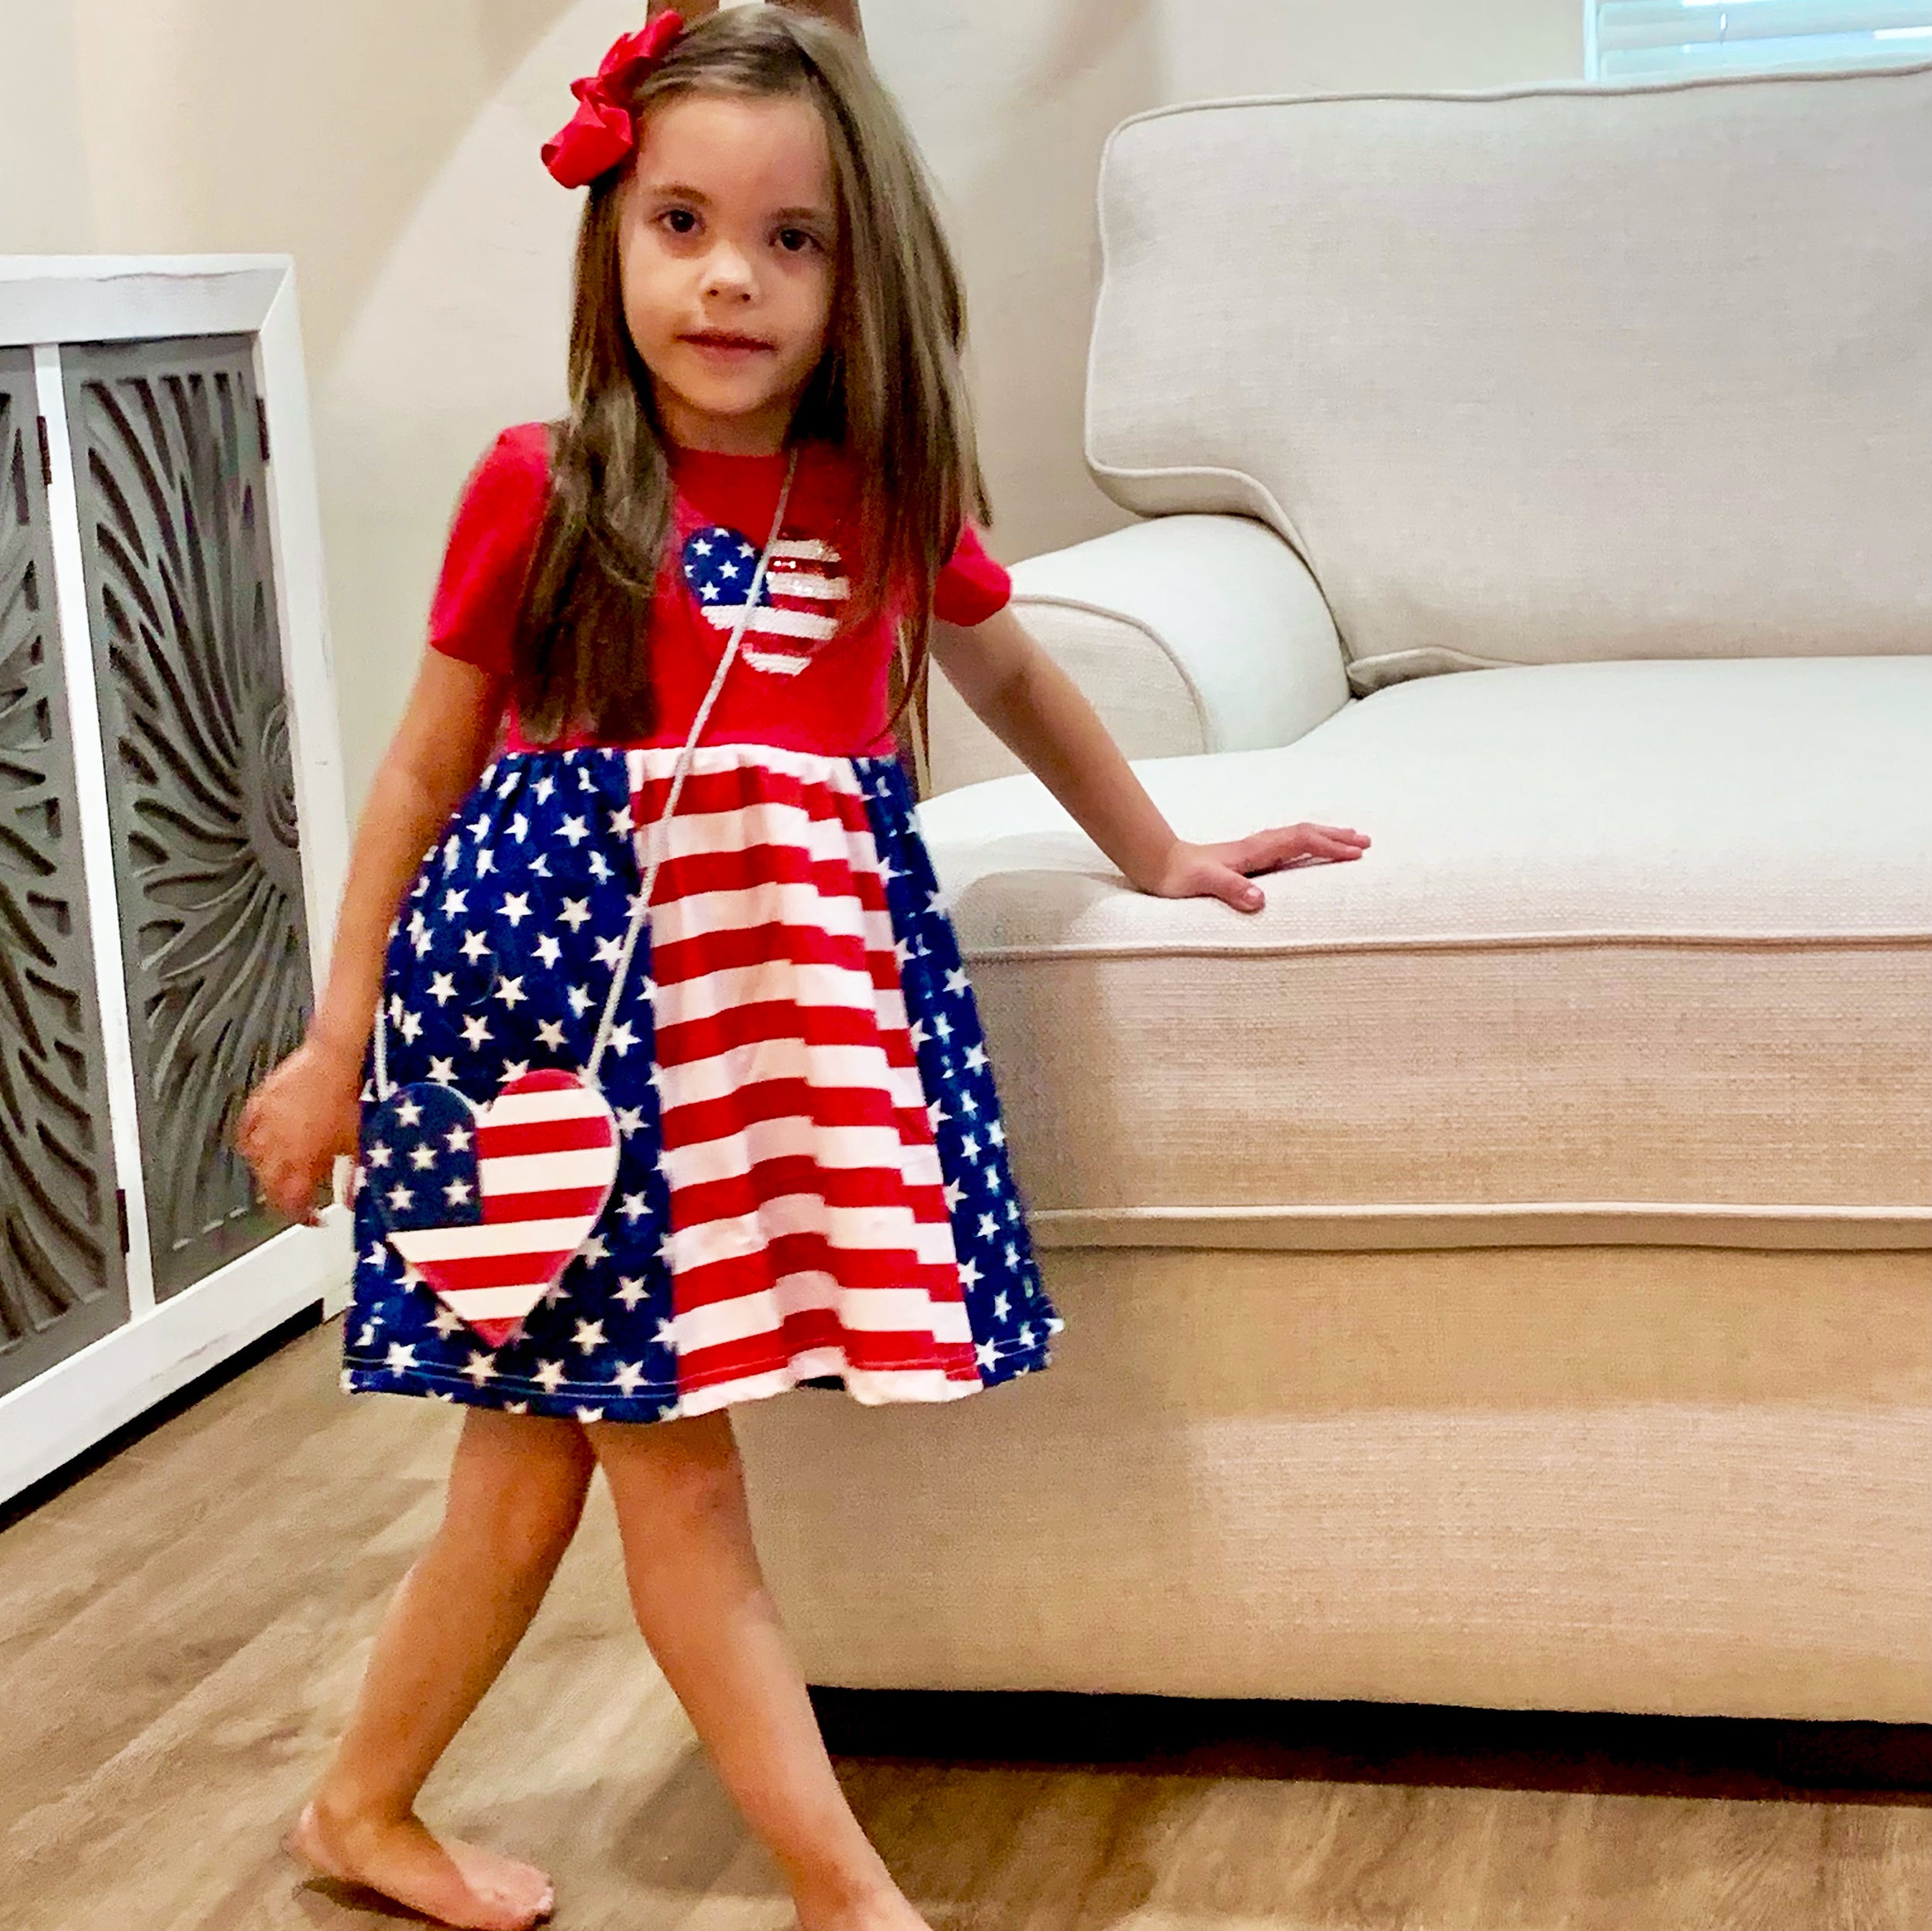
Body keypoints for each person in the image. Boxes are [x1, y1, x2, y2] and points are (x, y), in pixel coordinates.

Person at [239, 8, 1370, 1929]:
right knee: (665, 1476)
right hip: (540, 1043)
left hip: (753, 1036)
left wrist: (1164, 850)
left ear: (864, 274)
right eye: (680, 219)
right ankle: (841, 1888)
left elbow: (1020, 681)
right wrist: (338, 1034)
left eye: (791, 238)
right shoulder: (544, 485)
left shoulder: (883, 500)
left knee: (527, 1479)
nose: (728, 279)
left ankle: (358, 1803)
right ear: (611, 237)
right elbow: (421, 781)